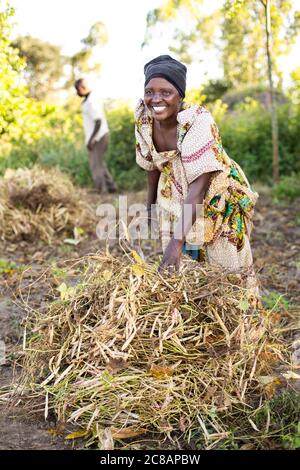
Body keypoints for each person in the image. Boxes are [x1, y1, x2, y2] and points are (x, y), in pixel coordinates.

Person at [135, 55, 259, 292]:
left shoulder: (196, 121)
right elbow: (152, 165)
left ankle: (243, 320)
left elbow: (198, 188)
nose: (156, 99)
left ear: (180, 94)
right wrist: (149, 207)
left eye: (166, 92)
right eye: (149, 91)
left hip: (214, 197)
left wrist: (176, 243)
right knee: (185, 274)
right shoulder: (143, 119)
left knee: (225, 269)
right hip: (172, 194)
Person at [75, 78, 116, 193]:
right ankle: (111, 187)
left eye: (77, 90)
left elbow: (98, 121)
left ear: (82, 88)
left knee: (95, 165)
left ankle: (102, 190)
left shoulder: (91, 102)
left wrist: (92, 140)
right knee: (99, 163)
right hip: (99, 135)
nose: (76, 93)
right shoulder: (89, 99)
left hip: (98, 137)